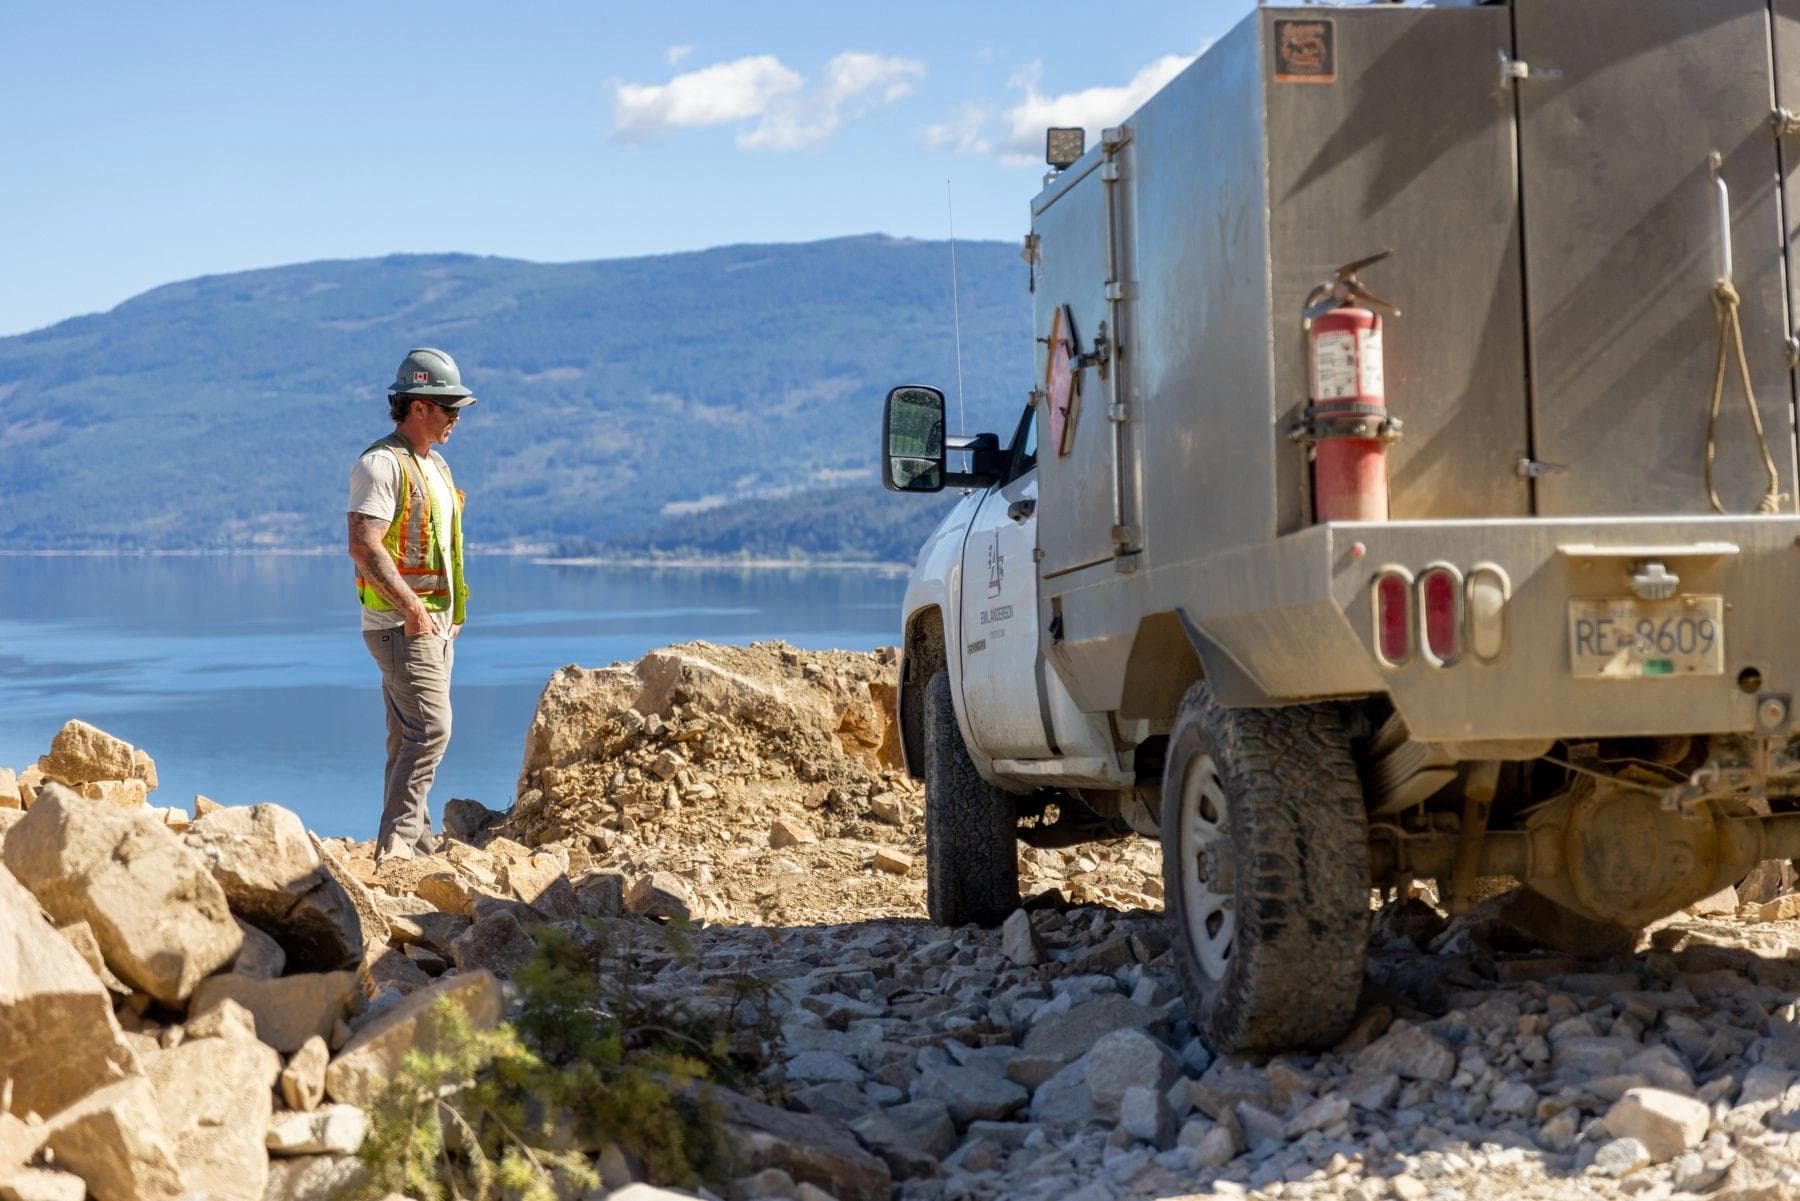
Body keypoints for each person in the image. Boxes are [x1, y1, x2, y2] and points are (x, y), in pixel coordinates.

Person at [346, 347, 476, 862]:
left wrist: (451, 614)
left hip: (433, 623)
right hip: (402, 624)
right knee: (431, 729)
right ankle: (397, 849)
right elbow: (363, 543)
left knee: (407, 734)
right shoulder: (381, 465)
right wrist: (413, 610)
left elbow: (443, 547)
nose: (456, 418)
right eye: (449, 407)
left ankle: (416, 842)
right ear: (418, 405)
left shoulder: (435, 465)